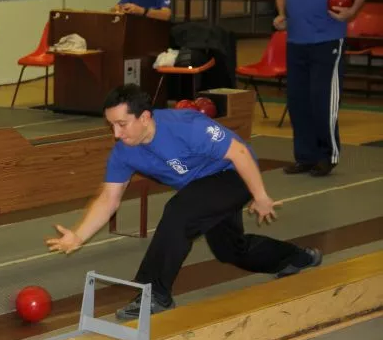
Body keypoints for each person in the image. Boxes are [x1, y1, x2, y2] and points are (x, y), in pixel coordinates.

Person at [46, 85, 323, 320]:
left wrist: (260, 196)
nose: (116, 134)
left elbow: (239, 153)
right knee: (230, 250)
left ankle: (154, 294)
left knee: (179, 212)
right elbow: (109, 198)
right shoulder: (124, 152)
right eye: (111, 126)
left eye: (122, 124)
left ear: (145, 117)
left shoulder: (186, 126)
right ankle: (297, 258)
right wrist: (79, 236)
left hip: (234, 175)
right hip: (199, 190)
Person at [274, 0, 373, 177]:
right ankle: (305, 157)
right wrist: (281, 13)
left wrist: (352, 11)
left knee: (323, 99)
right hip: (296, 40)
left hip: (327, 39)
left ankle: (327, 156)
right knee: (298, 100)